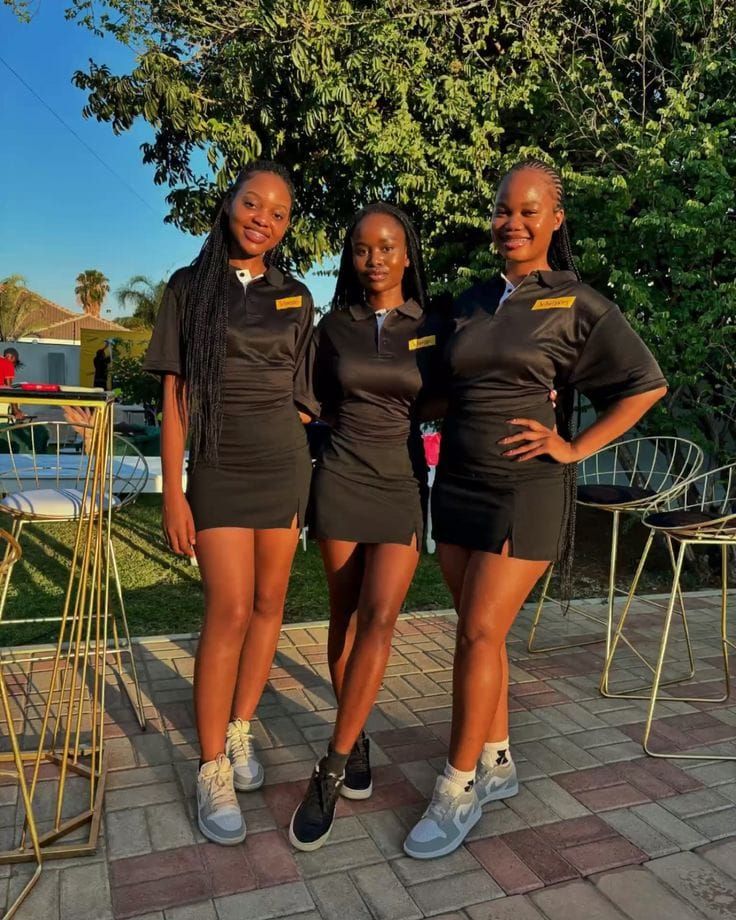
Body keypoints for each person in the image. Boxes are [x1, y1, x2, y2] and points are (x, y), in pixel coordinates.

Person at [403, 159, 668, 860]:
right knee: (478, 634)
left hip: (526, 489)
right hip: (458, 484)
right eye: (502, 209)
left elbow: (645, 385)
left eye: (528, 211)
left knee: (477, 633)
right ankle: (497, 760)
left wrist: (574, 447)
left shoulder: (578, 303)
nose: (512, 222)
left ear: (555, 219)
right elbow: (436, 386)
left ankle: (458, 787)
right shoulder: (469, 301)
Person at [142, 161, 317, 846]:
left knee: (271, 604)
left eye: (278, 213)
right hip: (217, 470)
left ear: (287, 226)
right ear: (229, 204)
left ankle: (242, 727)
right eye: (253, 204)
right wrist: (175, 491)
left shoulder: (296, 295)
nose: (262, 220)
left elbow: (304, 394)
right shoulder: (188, 289)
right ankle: (210, 765)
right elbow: (176, 399)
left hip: (283, 470)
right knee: (229, 610)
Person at [289, 202, 445, 851]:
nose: (374, 258)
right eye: (361, 248)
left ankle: (330, 767)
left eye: (386, 247)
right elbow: (304, 403)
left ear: (407, 254)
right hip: (341, 477)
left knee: (381, 617)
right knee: (346, 615)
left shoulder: (433, 326)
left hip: (401, 482)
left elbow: (461, 391)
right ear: (351, 258)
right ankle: (356, 741)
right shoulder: (332, 328)